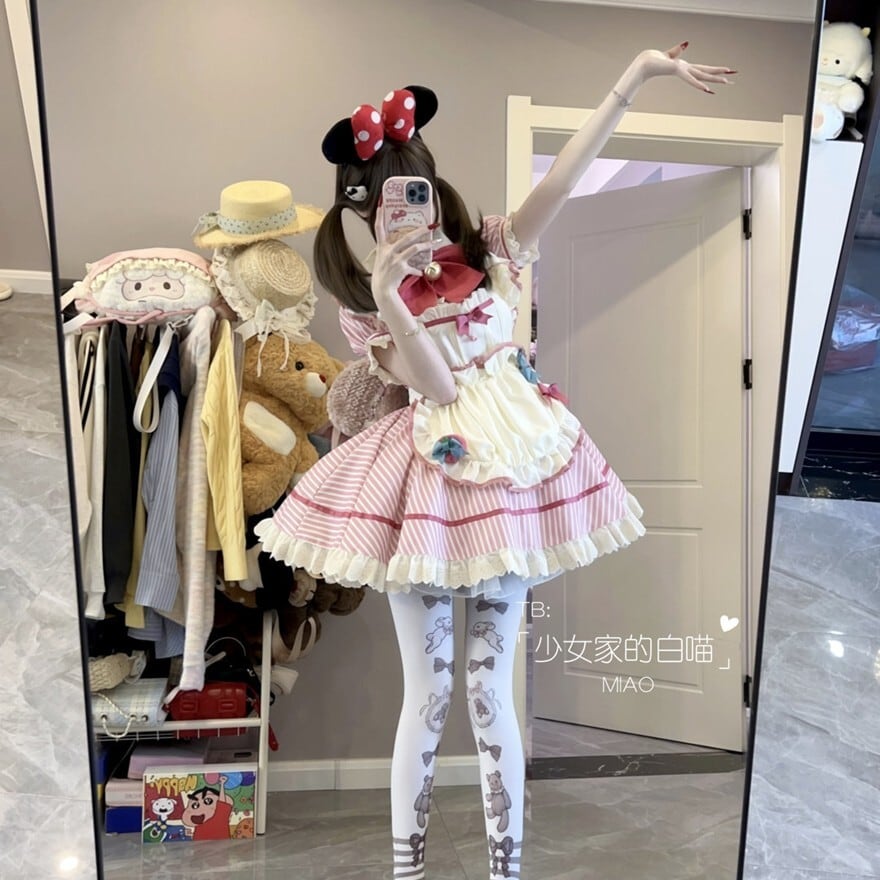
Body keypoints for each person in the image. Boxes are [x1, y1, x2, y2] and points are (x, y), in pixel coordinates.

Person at [256, 43, 735, 880]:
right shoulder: (367, 307)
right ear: (363, 213)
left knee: (489, 692)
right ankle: (408, 869)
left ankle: (505, 868)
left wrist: (634, 77)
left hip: (510, 474)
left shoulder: (496, 250)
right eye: (388, 199)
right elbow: (437, 387)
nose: (409, 209)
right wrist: (389, 298)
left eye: (417, 188)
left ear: (433, 187)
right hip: (422, 489)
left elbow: (567, 178)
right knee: (430, 692)